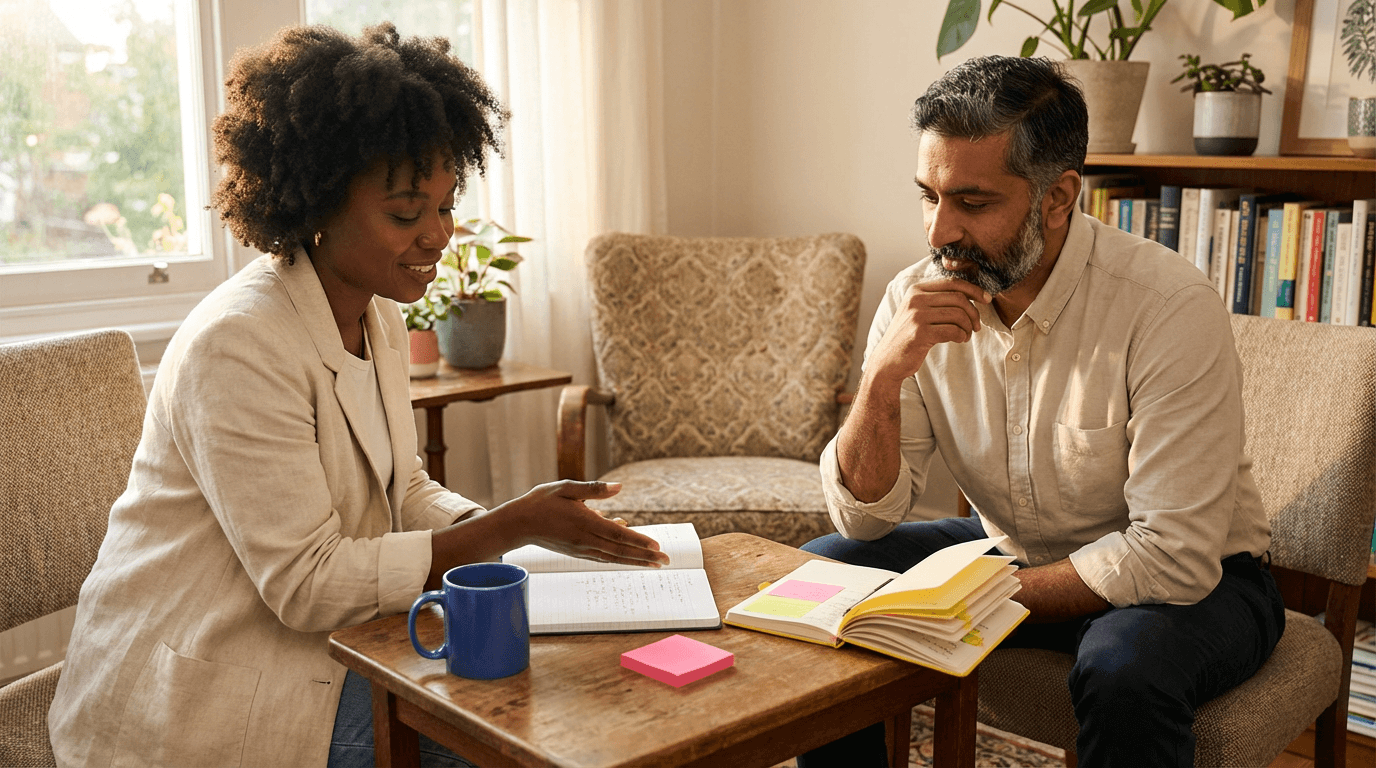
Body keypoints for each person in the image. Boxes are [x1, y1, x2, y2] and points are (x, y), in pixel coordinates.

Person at [47, 23, 668, 768]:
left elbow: (401, 485)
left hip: (318, 644)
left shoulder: (375, 314)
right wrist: (504, 530)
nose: (438, 234)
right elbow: (307, 585)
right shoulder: (237, 346)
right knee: (502, 742)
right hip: (198, 693)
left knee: (559, 698)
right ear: (315, 204)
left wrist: (515, 527)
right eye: (407, 213)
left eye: (445, 205)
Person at [796, 56, 1285, 767]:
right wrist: (880, 377)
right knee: (823, 576)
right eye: (928, 197)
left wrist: (969, 600)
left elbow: (1174, 556)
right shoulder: (914, 300)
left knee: (1124, 670)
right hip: (1018, 550)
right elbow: (865, 518)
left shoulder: (1166, 306)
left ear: (1058, 197)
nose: (939, 234)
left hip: (1202, 580)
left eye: (972, 202)